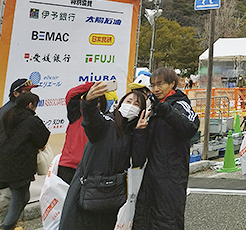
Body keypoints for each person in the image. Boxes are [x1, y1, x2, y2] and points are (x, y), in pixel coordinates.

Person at [60, 85, 148, 230]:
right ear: (120, 104)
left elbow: (137, 160)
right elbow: (91, 121)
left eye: (137, 104)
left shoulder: (133, 132)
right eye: (129, 101)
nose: (131, 106)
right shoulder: (107, 122)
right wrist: (88, 102)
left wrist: (139, 133)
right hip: (88, 189)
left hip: (113, 194)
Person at [132, 67, 200, 230]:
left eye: (160, 84)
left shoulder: (180, 103)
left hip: (171, 177)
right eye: (153, 85)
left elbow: (190, 127)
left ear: (172, 84)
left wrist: (164, 110)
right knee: (145, 220)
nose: (156, 89)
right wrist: (139, 132)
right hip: (150, 176)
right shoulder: (153, 107)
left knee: (168, 221)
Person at [0, 92, 49, 230]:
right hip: (20, 166)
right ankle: (6, 226)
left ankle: (10, 224)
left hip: (3, 162)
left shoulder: (7, 114)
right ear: (30, 105)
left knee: (23, 197)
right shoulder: (32, 120)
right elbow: (42, 139)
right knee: (17, 199)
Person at [0, 77, 37, 227]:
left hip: (5, 156)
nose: (29, 94)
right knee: (9, 196)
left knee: (23, 196)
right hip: (7, 158)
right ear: (16, 94)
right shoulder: (12, 111)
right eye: (26, 92)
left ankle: (5, 223)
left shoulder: (8, 109)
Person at [57, 82, 94, 185]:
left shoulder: (103, 122)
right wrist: (92, 85)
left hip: (89, 169)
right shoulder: (76, 115)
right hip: (69, 166)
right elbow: (72, 94)